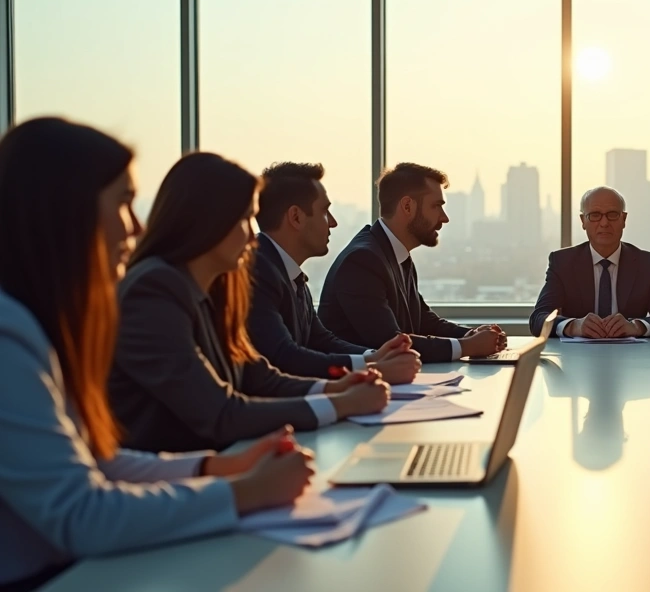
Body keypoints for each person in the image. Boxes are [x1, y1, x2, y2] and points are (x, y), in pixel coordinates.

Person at [0, 119, 314, 591]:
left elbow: (97, 462)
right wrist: (244, 493)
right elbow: (81, 515)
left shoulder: (36, 320)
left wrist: (215, 468)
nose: (136, 226)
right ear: (68, 211)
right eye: (124, 203)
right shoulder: (8, 334)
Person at [109, 153, 390, 453]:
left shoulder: (217, 285)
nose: (254, 238)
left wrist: (335, 387)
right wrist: (340, 404)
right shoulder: (154, 289)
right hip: (177, 472)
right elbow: (220, 413)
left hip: (223, 461)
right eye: (245, 219)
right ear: (210, 221)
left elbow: (258, 377)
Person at [247, 161, 420, 383]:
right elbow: (284, 357)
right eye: (324, 211)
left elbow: (321, 341)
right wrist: (374, 368)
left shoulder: (288, 272)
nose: (333, 222)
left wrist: (374, 356)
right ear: (296, 217)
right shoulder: (258, 272)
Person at [318, 162, 506, 363]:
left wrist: (472, 335)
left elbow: (423, 320)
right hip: (358, 380)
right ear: (407, 206)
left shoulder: (395, 253)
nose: (444, 218)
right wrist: (467, 346)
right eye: (436, 206)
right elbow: (389, 341)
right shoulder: (362, 260)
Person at [529, 186, 650, 338]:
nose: (604, 223)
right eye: (595, 215)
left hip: (632, 352)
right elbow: (539, 318)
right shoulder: (563, 263)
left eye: (612, 215)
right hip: (577, 353)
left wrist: (636, 327)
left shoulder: (649, 265)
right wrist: (573, 326)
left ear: (624, 219)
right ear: (583, 221)